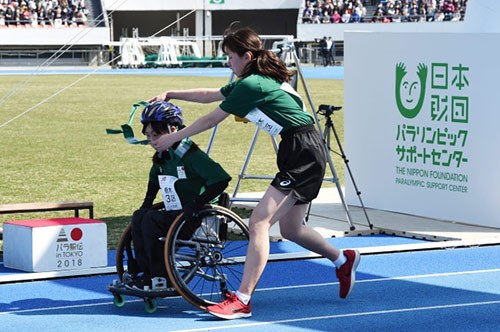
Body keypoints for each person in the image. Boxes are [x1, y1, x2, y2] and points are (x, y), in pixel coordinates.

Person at [148, 26, 360, 320]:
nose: (228, 63)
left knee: (259, 221)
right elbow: (211, 95)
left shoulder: (253, 84)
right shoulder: (249, 80)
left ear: (246, 56)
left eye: (230, 57)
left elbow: (213, 118)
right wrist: (172, 93)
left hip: (303, 150)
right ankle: (342, 259)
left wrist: (174, 137)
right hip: (299, 148)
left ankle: (242, 299)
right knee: (291, 229)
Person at [126, 100, 231, 290]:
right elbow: (154, 181)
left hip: (198, 216)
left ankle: (160, 276)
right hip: (178, 213)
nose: (152, 141)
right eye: (148, 136)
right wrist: (146, 202)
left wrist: (197, 203)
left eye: (156, 135)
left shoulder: (191, 156)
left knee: (151, 220)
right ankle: (143, 271)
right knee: (139, 216)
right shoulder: (163, 157)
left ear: (173, 129)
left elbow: (221, 180)